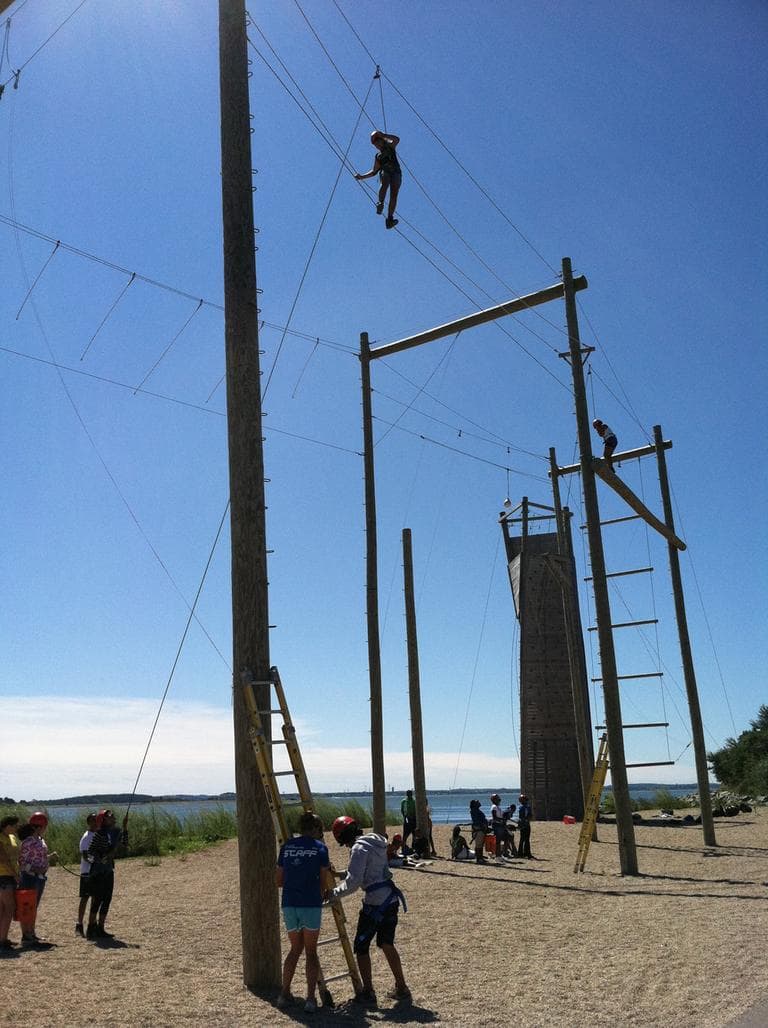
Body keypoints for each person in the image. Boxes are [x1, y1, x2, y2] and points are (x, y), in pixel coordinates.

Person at [329, 815, 410, 1007]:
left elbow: (354, 882)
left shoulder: (358, 849)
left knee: (361, 947)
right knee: (386, 943)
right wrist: (339, 873)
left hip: (374, 904)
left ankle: (368, 991)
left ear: (342, 838)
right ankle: (401, 987)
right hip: (390, 900)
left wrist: (333, 893)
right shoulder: (374, 841)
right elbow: (365, 870)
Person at [275, 811, 334, 1014]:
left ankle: (284, 994)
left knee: (294, 949)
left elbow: (279, 880)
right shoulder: (320, 848)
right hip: (310, 904)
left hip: (290, 903)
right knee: (310, 951)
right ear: (316, 828)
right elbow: (324, 880)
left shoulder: (286, 847)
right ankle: (310, 998)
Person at [86, 809, 128, 939]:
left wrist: (125, 827)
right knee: (97, 900)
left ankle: (101, 928)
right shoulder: (99, 834)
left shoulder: (116, 832)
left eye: (113, 815)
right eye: (110, 816)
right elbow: (91, 851)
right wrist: (102, 857)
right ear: (103, 820)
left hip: (109, 870)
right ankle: (90, 929)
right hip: (98, 871)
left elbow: (125, 844)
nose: (114, 817)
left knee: (107, 899)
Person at [18, 812, 56, 947]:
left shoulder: (40, 840)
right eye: (44, 826)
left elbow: (40, 857)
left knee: (34, 907)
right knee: (27, 906)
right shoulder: (27, 842)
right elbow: (22, 862)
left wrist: (50, 857)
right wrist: (35, 870)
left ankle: (32, 933)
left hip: (40, 878)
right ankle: (26, 936)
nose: (45, 829)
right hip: (29, 878)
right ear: (38, 827)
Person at [355, 130, 402, 229]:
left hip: (396, 172)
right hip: (386, 172)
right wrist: (362, 177)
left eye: (378, 141)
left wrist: (384, 135)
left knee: (394, 195)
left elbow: (396, 139)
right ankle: (380, 203)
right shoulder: (378, 156)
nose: (377, 145)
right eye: (375, 144)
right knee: (384, 182)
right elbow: (374, 171)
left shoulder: (390, 147)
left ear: (382, 140)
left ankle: (390, 219)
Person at [0, 815, 21, 951]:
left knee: (3, 909)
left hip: (11, 875)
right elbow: (3, 859)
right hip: (4, 875)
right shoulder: (0, 838)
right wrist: (15, 875)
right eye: (14, 826)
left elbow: (15, 856)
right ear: (7, 826)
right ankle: (2, 941)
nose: (16, 828)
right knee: (9, 907)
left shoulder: (13, 838)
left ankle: (3, 937)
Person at [76, 813, 97, 937]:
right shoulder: (86, 837)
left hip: (97, 872)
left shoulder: (98, 835)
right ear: (89, 822)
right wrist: (95, 861)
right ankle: (79, 924)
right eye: (93, 821)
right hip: (87, 872)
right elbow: (85, 855)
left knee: (96, 898)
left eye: (97, 820)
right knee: (85, 898)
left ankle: (92, 924)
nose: (95, 823)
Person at [490, 794, 516, 860]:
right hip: (497, 826)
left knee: (506, 838)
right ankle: (498, 856)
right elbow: (494, 817)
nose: (499, 800)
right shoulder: (494, 807)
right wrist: (502, 820)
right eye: (498, 799)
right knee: (498, 841)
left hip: (501, 825)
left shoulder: (497, 807)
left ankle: (504, 853)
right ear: (494, 800)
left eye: (499, 799)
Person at [469, 799, 490, 864]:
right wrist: (483, 826)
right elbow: (477, 821)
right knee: (479, 844)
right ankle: (478, 858)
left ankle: (480, 857)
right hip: (479, 829)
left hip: (481, 828)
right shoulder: (474, 811)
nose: (479, 802)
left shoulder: (477, 811)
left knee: (480, 844)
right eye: (477, 802)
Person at [400, 790, 416, 855]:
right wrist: (405, 816)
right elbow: (402, 810)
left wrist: (413, 816)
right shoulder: (403, 801)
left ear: (411, 794)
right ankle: (403, 847)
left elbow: (416, 809)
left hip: (414, 819)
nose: (409, 795)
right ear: (406, 794)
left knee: (414, 834)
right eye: (408, 793)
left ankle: (413, 847)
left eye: (410, 793)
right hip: (407, 818)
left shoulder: (414, 801)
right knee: (405, 834)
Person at [517, 794, 533, 858]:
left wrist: (527, 819)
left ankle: (526, 853)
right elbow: (521, 817)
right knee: (523, 839)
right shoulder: (522, 807)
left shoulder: (527, 807)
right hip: (524, 824)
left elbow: (530, 815)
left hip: (526, 824)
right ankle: (521, 853)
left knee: (526, 839)